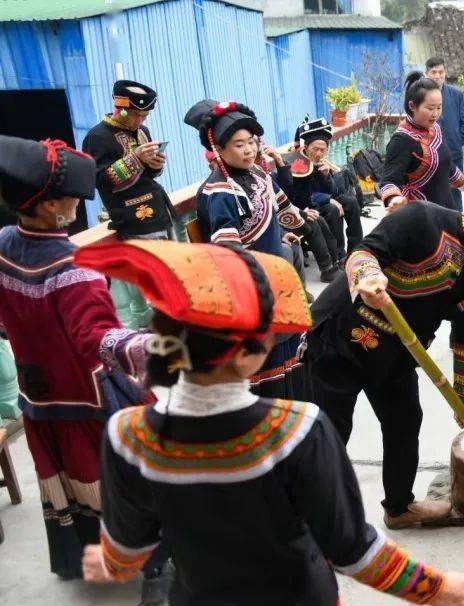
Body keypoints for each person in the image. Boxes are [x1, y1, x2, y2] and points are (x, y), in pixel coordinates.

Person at [74, 240, 464, 606]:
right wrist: (435, 588)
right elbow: (353, 551)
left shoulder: (127, 435)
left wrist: (109, 560)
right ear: (246, 357)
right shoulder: (296, 430)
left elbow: (130, 547)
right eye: (272, 337)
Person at [0, 135, 174, 600]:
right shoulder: (74, 267)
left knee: (65, 475)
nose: (78, 203)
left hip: (38, 392)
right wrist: (158, 349)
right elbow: (96, 336)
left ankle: (77, 554)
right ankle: (159, 566)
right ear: (48, 205)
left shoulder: (3, 245)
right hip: (89, 394)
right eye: (71, 196)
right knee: (134, 475)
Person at [305, 204, 464, 527]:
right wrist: (368, 278)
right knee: (331, 432)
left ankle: (399, 508)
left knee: (405, 422)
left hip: (396, 354)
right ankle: (317, 526)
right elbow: (365, 251)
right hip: (342, 339)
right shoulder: (420, 219)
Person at [183, 99, 308, 400]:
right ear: (219, 150)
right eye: (238, 145)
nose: (249, 150)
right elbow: (230, 255)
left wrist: (285, 232)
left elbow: (288, 214)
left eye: (251, 142)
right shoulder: (219, 192)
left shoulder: (258, 175)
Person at [81, 79, 174, 240]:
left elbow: (147, 175)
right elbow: (99, 181)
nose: (139, 122)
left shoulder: (142, 131)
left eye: (144, 117)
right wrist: (136, 158)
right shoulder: (97, 136)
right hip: (132, 220)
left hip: (160, 212)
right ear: (120, 109)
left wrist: (155, 165)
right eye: (135, 115)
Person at [379, 72, 464, 212]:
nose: (435, 114)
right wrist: (394, 199)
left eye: (439, 107)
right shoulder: (402, 140)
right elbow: (388, 180)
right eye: (430, 108)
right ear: (412, 106)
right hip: (420, 216)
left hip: (445, 209)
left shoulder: (435, 129)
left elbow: (445, 163)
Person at [255, 141, 338, 287]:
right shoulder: (249, 180)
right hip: (272, 225)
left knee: (317, 218)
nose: (261, 160)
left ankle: (334, 263)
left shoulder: (266, 176)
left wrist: (279, 162)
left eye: (261, 156)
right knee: (311, 221)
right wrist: (301, 213)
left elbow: (285, 193)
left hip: (288, 213)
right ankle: (327, 269)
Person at [282, 117, 363, 264]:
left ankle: (356, 248)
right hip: (307, 204)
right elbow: (300, 196)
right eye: (315, 149)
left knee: (350, 202)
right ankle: (339, 255)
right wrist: (327, 198)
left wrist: (327, 177)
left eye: (323, 150)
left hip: (322, 199)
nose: (319, 154)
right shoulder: (298, 163)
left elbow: (335, 191)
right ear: (305, 148)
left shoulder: (322, 163)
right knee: (332, 209)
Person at [427, 57, 464, 211]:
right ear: (427, 74)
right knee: (433, 194)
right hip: (429, 156)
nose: (438, 76)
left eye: (441, 72)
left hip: (453, 154)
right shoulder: (421, 95)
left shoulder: (456, 94)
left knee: (455, 194)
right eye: (434, 72)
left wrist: (457, 142)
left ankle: (457, 230)